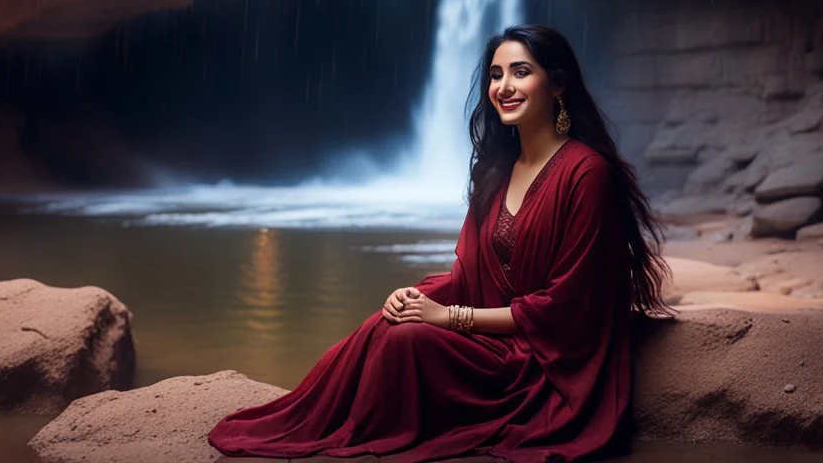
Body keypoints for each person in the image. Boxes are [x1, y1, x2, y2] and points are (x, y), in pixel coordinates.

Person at [208, 24, 673, 462]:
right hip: (498, 338)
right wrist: (419, 296)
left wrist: (448, 317)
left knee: (407, 342)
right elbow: (473, 275)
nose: (504, 87)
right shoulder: (496, 169)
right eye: (495, 75)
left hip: (546, 361)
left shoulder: (585, 172)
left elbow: (568, 307)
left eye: (521, 72)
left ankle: (361, 431)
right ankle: (321, 421)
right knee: (385, 324)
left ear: (558, 85)